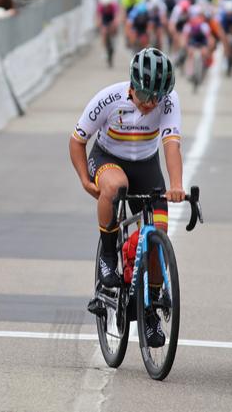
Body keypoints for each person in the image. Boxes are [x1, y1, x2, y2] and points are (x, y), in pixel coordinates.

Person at [69, 48, 184, 347]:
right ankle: (109, 255)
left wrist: (177, 184)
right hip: (108, 159)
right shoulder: (108, 98)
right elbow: (77, 140)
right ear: (132, 86)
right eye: (146, 95)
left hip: (147, 165)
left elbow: (171, 144)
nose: (151, 103)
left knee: (158, 236)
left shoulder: (168, 100)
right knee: (117, 185)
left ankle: (151, 308)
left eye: (157, 97)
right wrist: (84, 178)